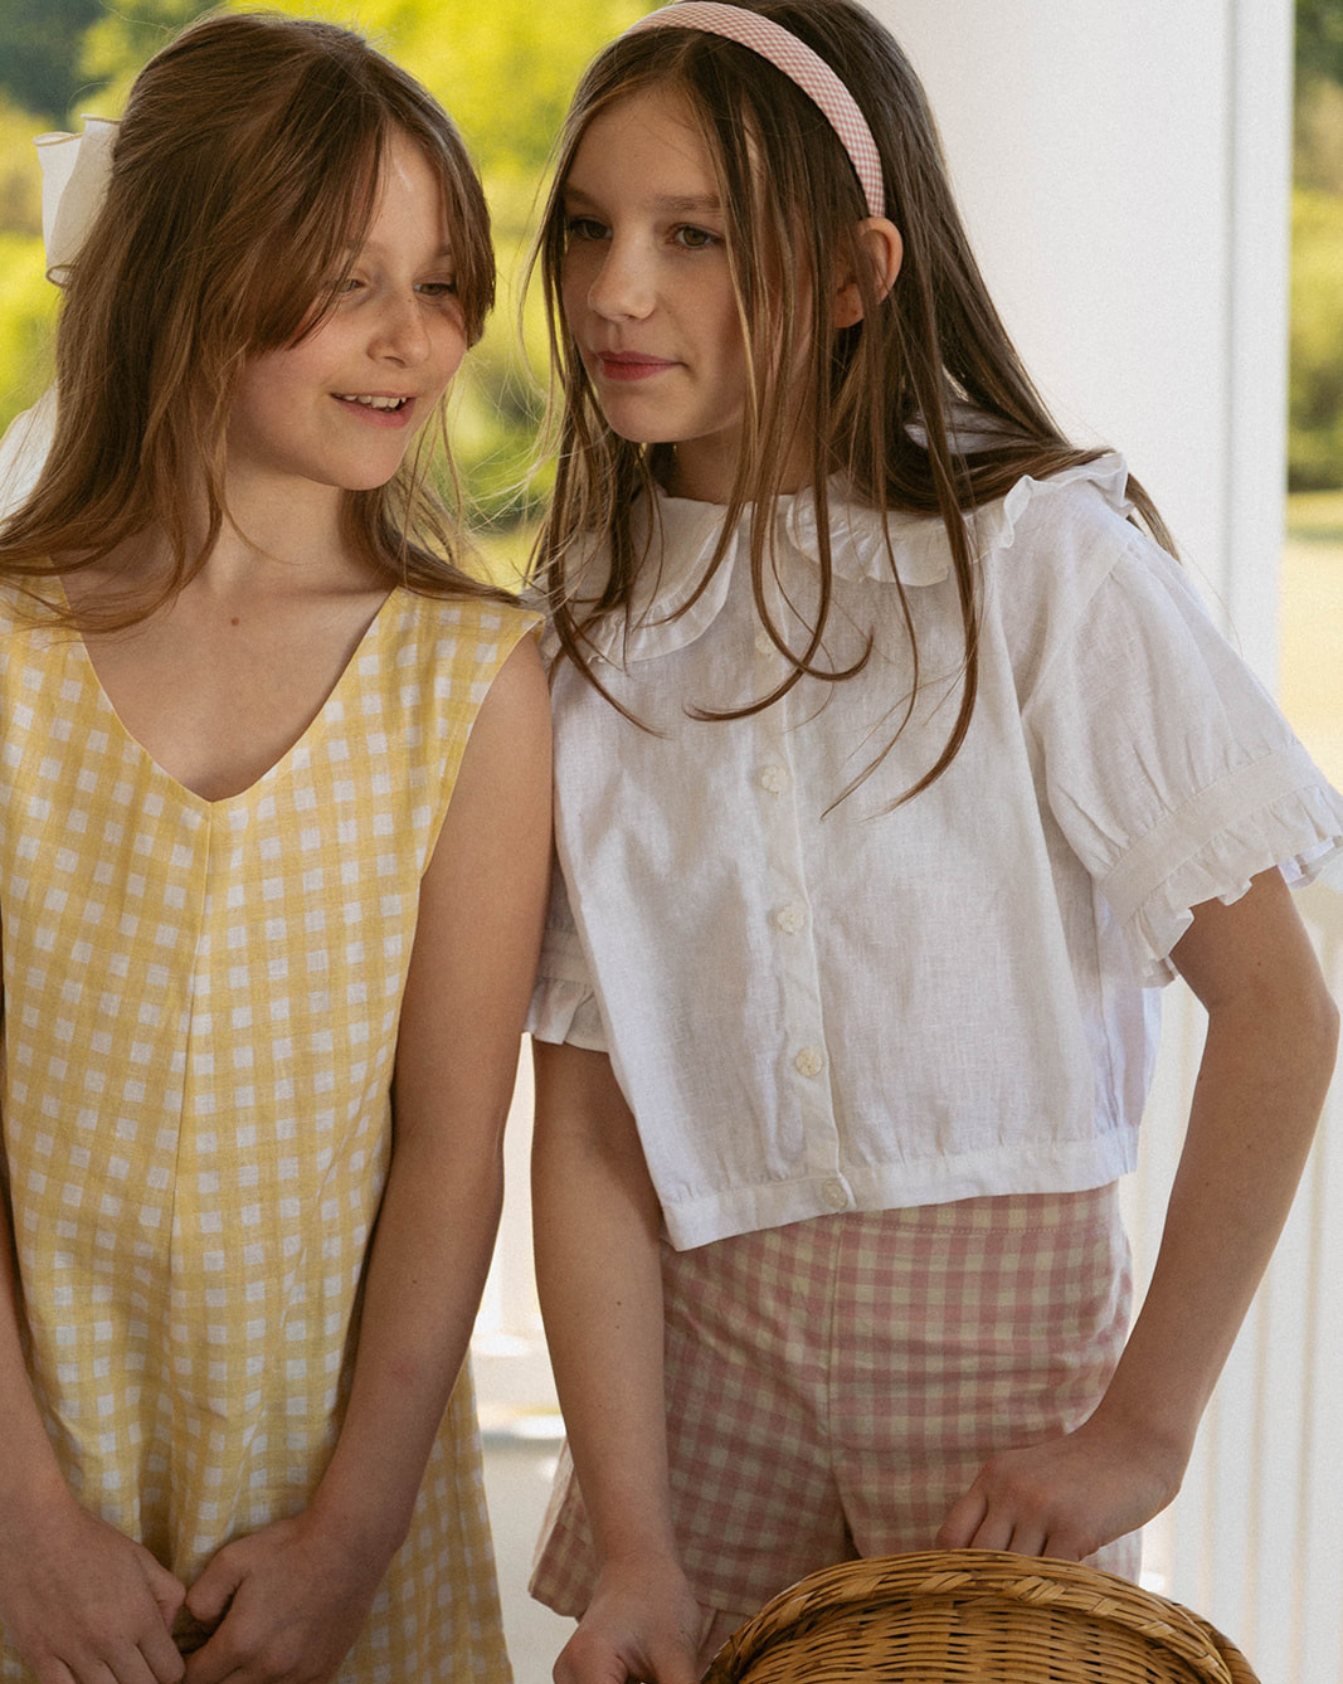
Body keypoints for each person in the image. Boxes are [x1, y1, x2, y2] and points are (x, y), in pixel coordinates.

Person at [522, 3, 1343, 1680]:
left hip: (995, 1352)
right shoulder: (580, 636)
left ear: (849, 272)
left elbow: (1279, 1009)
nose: (617, 288)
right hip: (691, 1371)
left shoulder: (1035, 569)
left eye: (693, 237)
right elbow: (594, 1120)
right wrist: (632, 1545)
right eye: (591, 228)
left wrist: (1143, 1429)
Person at [0, 14, 550, 1684]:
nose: (416, 340)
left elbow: (454, 1154)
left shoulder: (470, 681)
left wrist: (347, 1542)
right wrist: (28, 1537)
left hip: (331, 1520)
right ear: (179, 276)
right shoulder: (7, 652)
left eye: (442, 280)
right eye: (346, 281)